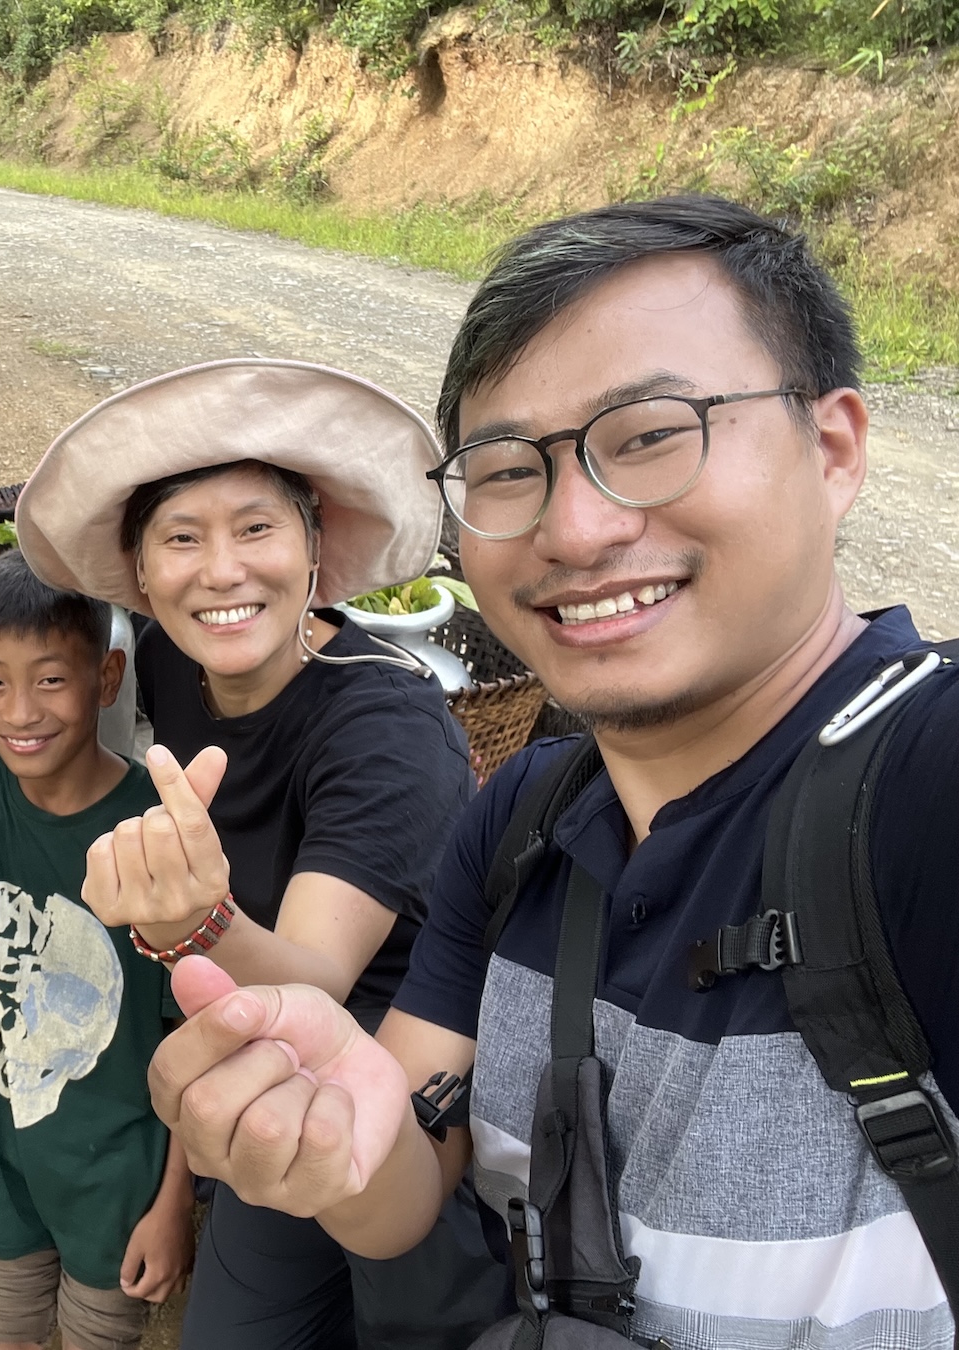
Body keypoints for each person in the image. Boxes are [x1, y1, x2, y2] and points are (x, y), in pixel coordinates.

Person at [145, 197, 958, 1348]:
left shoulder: (924, 785)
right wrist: (341, 1140)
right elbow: (406, 1184)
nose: (576, 530)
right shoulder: (518, 823)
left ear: (833, 451)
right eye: (510, 468)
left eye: (650, 434)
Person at [14, 359, 511, 1348]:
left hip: (394, 1055)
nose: (224, 571)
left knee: (396, 1306)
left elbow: (321, 979)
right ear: (142, 575)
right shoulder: (169, 658)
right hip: (249, 1030)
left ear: (314, 547)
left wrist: (196, 921)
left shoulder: (385, 723)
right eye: (183, 539)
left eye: (257, 528)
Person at [0, 550, 197, 1350]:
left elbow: (190, 1038)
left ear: (106, 678)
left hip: (120, 1182)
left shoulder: (153, 829)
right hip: (2, 1171)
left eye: (51, 680)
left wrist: (174, 1202)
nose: (19, 711)